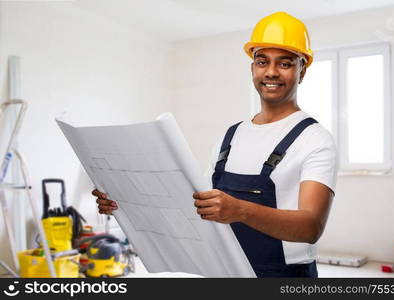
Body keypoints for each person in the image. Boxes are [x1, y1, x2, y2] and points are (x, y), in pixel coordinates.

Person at [93, 11, 337, 278]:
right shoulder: (230, 136)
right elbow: (202, 210)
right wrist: (124, 204)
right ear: (252, 68)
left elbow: (311, 227)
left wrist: (241, 210)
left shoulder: (314, 138)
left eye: (285, 63)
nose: (271, 72)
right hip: (224, 270)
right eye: (262, 61)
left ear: (303, 70)